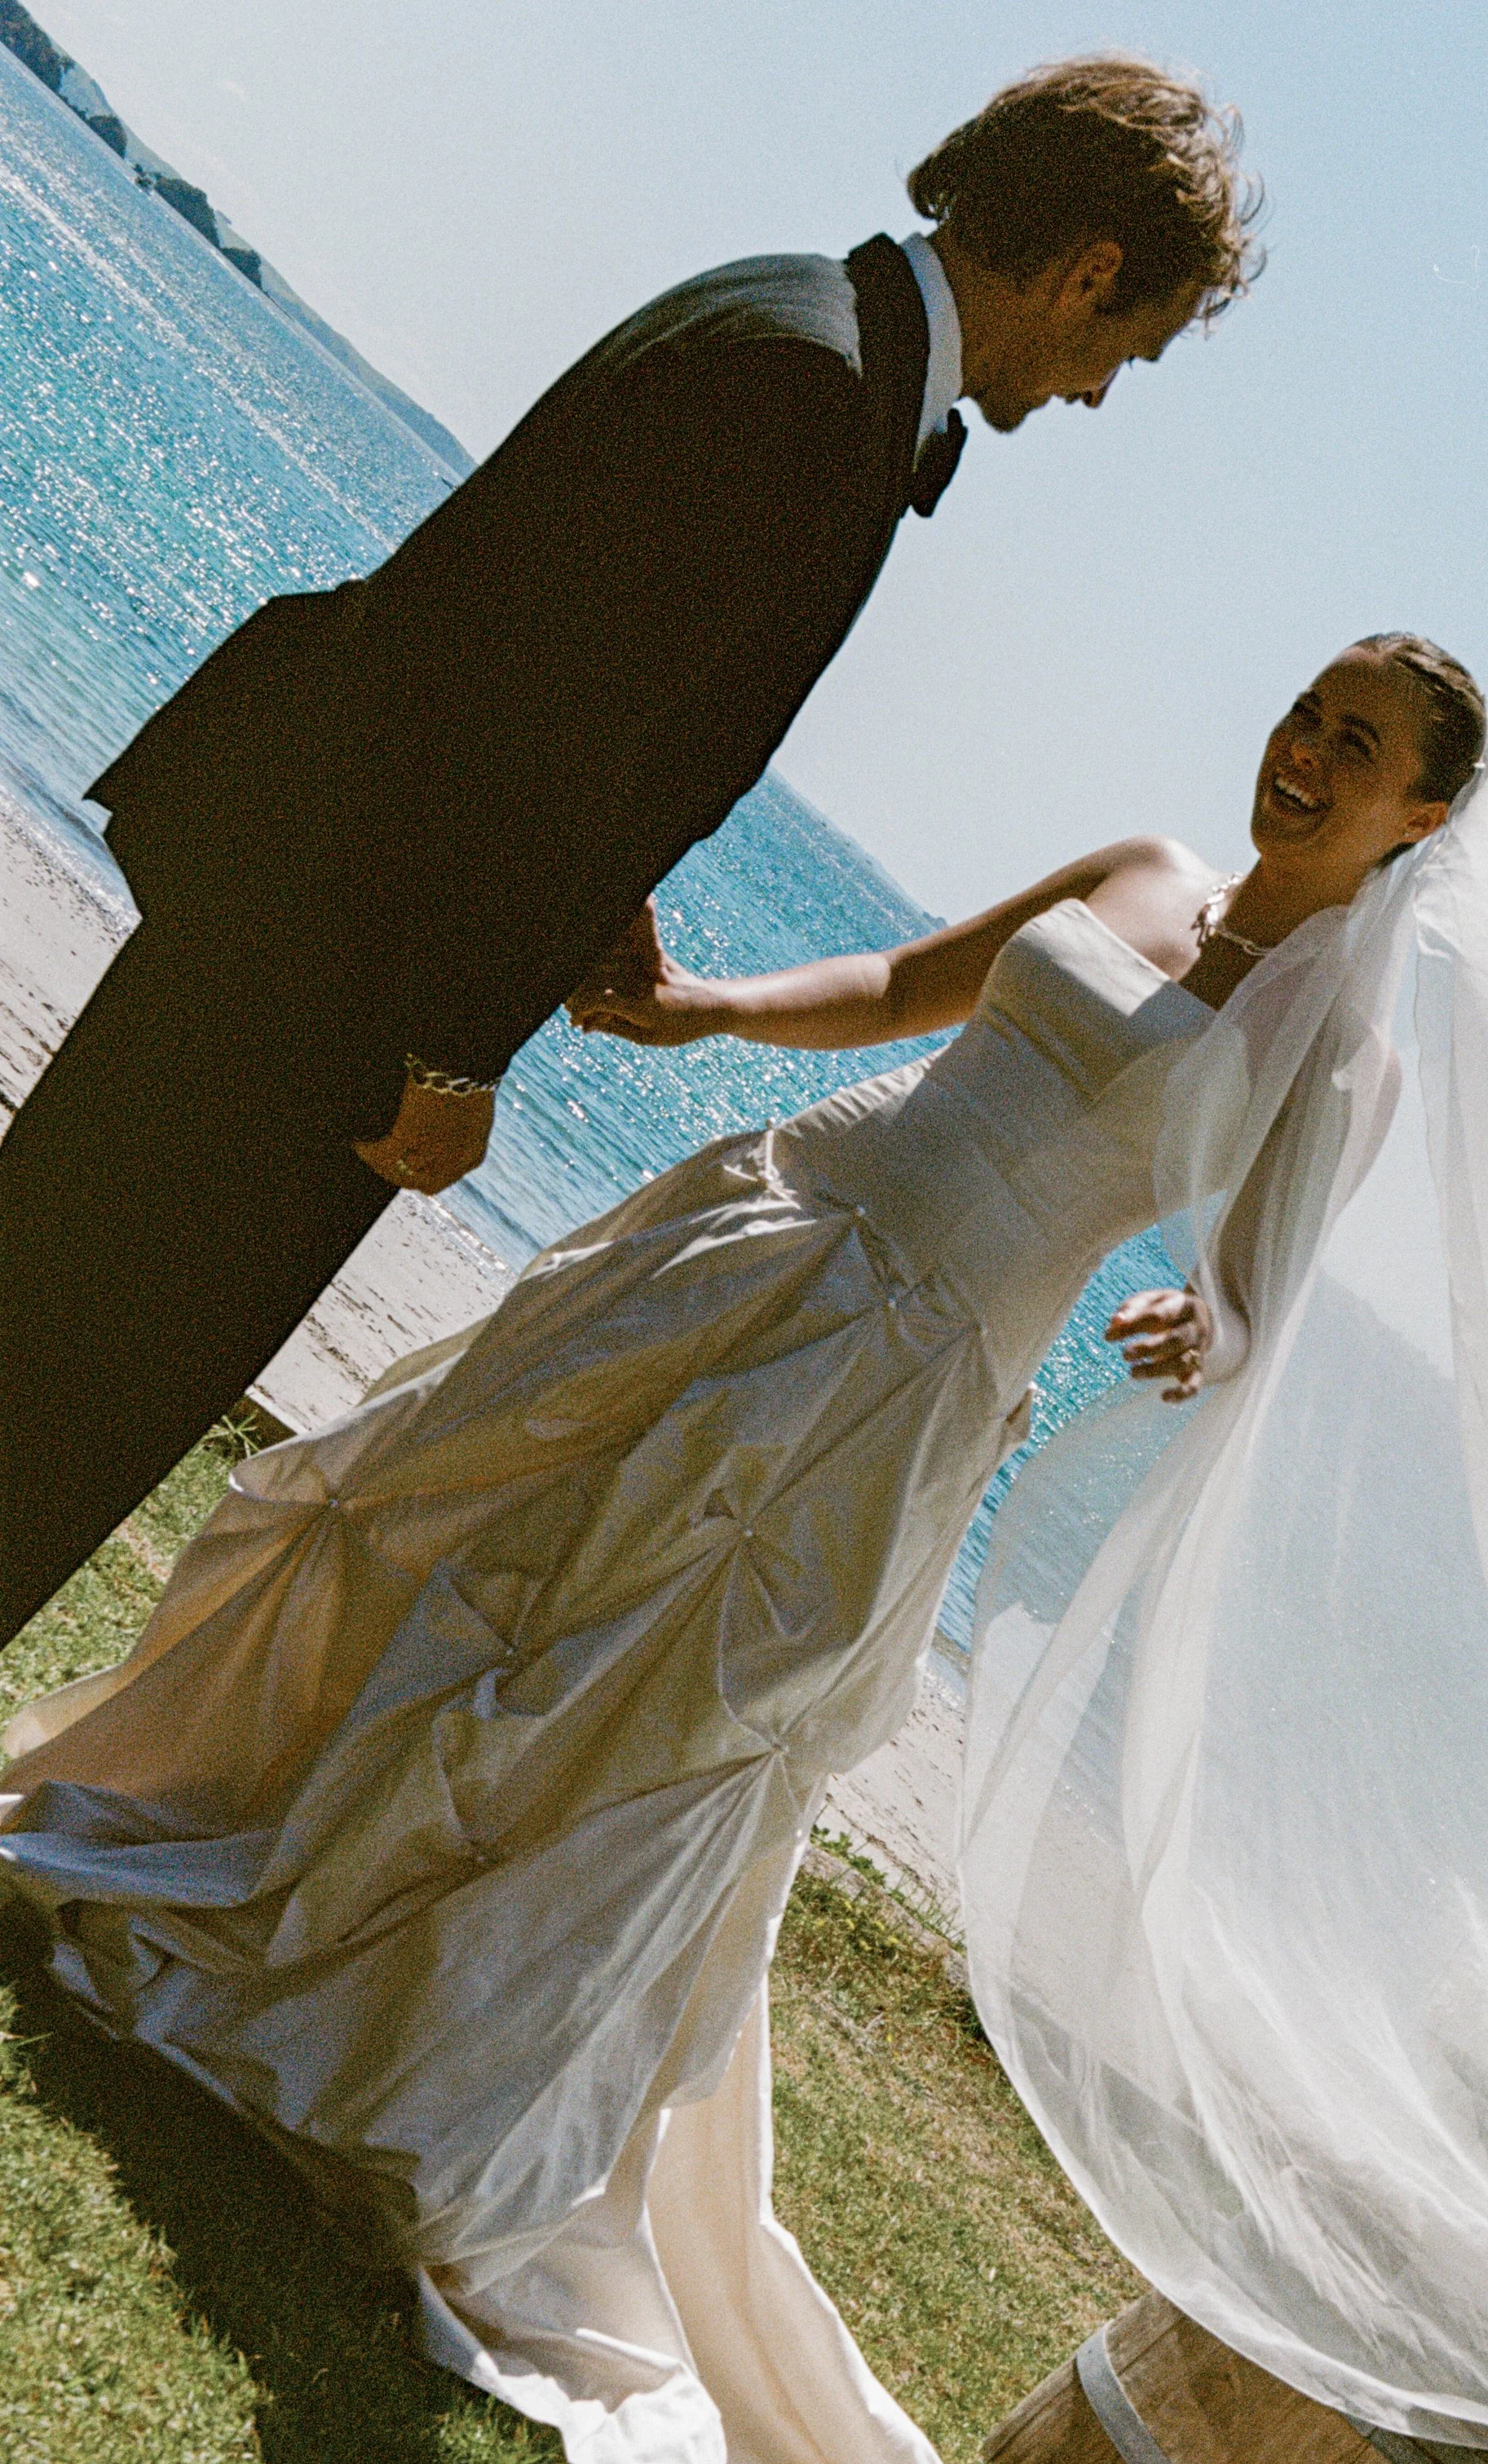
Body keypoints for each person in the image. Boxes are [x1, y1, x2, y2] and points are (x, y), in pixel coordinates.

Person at [0, 635, 1481, 2464]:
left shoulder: (1345, 1054)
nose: (1308, 748)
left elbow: (1258, 1288)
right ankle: (251, 1835)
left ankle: (407, 2057)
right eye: (1309, 706)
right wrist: (695, 1011)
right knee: (447, 1512)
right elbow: (905, 983)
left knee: (650, 1723)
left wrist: (1207, 1321)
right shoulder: (1142, 865)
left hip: (907, 1378)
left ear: (1419, 818)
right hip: (790, 1214)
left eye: (1361, 745)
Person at [0, 52, 1257, 1652]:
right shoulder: (810, 389)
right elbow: (533, 730)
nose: (1094, 391)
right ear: (1089, 269)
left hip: (297, 912)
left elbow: (583, 667)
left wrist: (608, 878)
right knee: (74, 1380)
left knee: (42, 1320)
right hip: (325, 977)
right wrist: (448, 1054)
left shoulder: (804, 315)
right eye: (1122, 349)